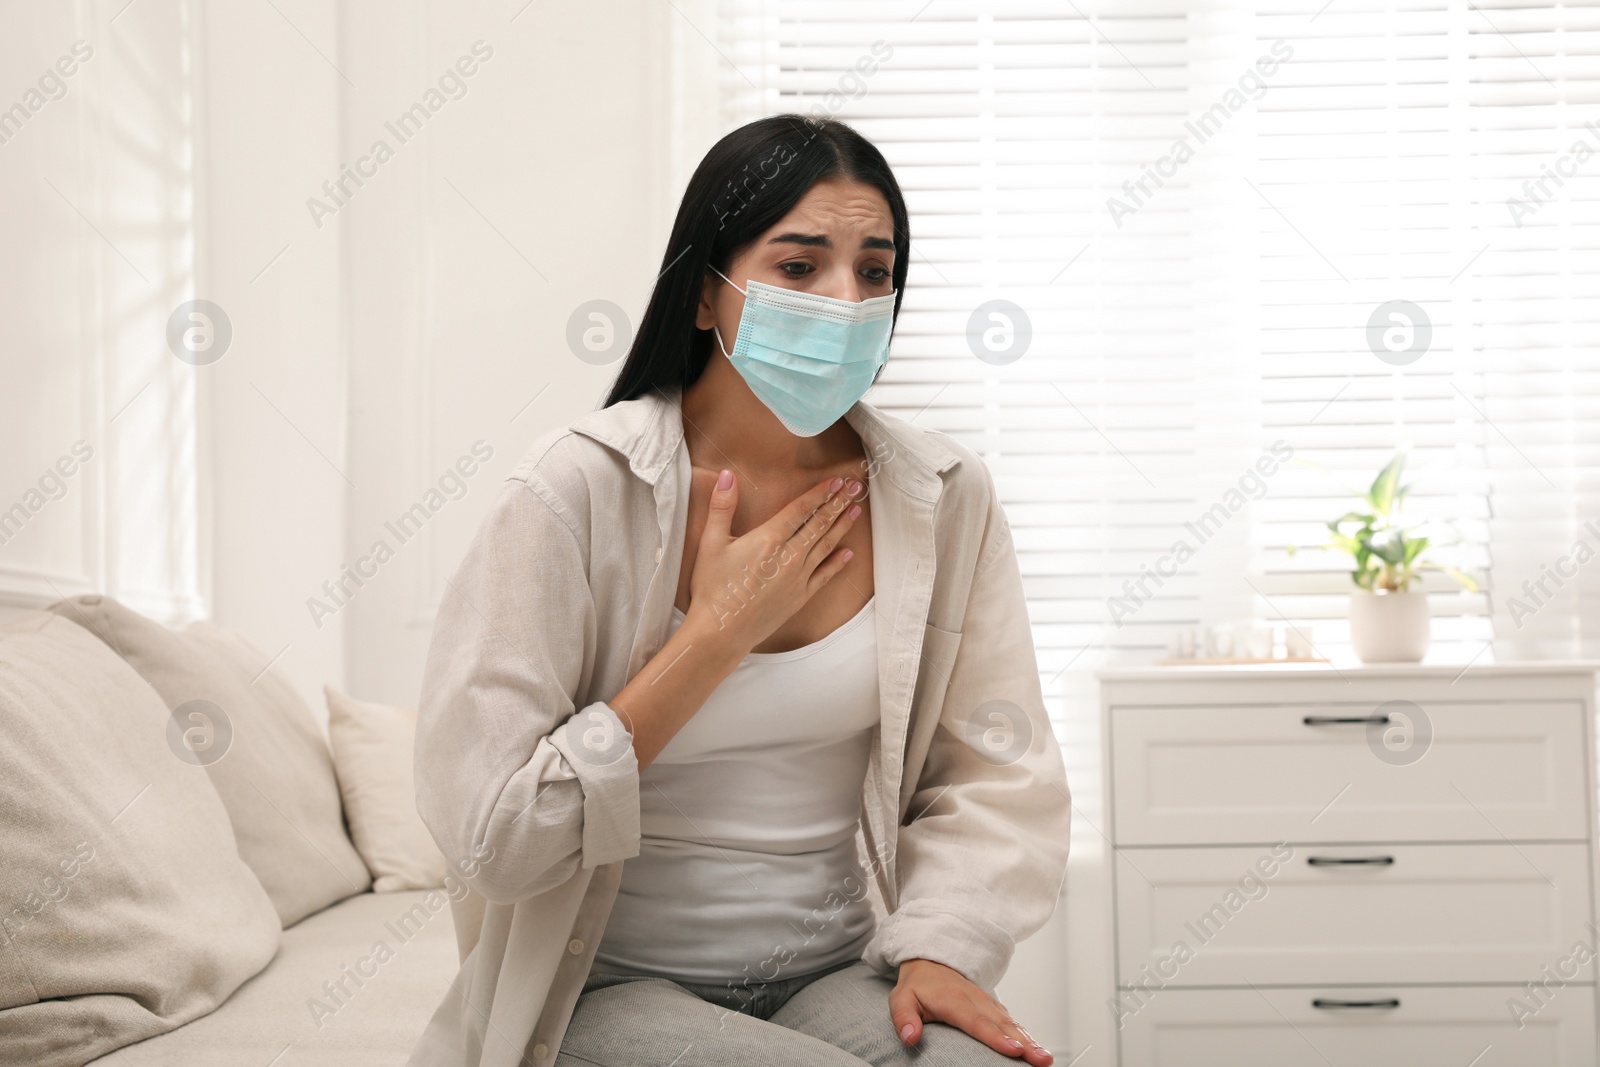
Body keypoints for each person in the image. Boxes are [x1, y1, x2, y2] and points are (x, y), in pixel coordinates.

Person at [406, 113, 1071, 1067]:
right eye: (799, 268)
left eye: (874, 271)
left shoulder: (944, 497)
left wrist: (942, 943)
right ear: (706, 296)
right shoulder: (572, 493)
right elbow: (493, 837)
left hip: (837, 970)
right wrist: (711, 638)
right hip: (604, 986)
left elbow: (995, 770)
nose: (846, 299)